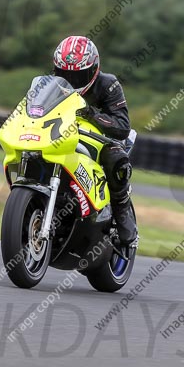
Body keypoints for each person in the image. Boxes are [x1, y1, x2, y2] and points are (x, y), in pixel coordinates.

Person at [51, 35, 138, 250]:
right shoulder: (50, 85)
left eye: (78, 75)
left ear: (93, 69)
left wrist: (92, 115)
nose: (71, 81)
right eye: (65, 75)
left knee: (116, 159)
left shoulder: (108, 85)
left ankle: (121, 208)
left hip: (101, 140)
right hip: (63, 134)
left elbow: (122, 125)